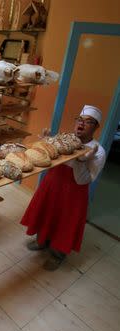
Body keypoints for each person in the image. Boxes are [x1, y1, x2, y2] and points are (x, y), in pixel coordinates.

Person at [21, 105, 107, 271]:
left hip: (74, 192)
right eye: (80, 120)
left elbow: (85, 180)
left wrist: (81, 160)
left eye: (89, 122)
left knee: (65, 222)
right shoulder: (64, 139)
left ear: (96, 127)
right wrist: (46, 144)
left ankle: (57, 254)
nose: (81, 124)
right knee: (46, 212)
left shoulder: (98, 151)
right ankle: (41, 242)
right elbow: (51, 159)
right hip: (52, 184)